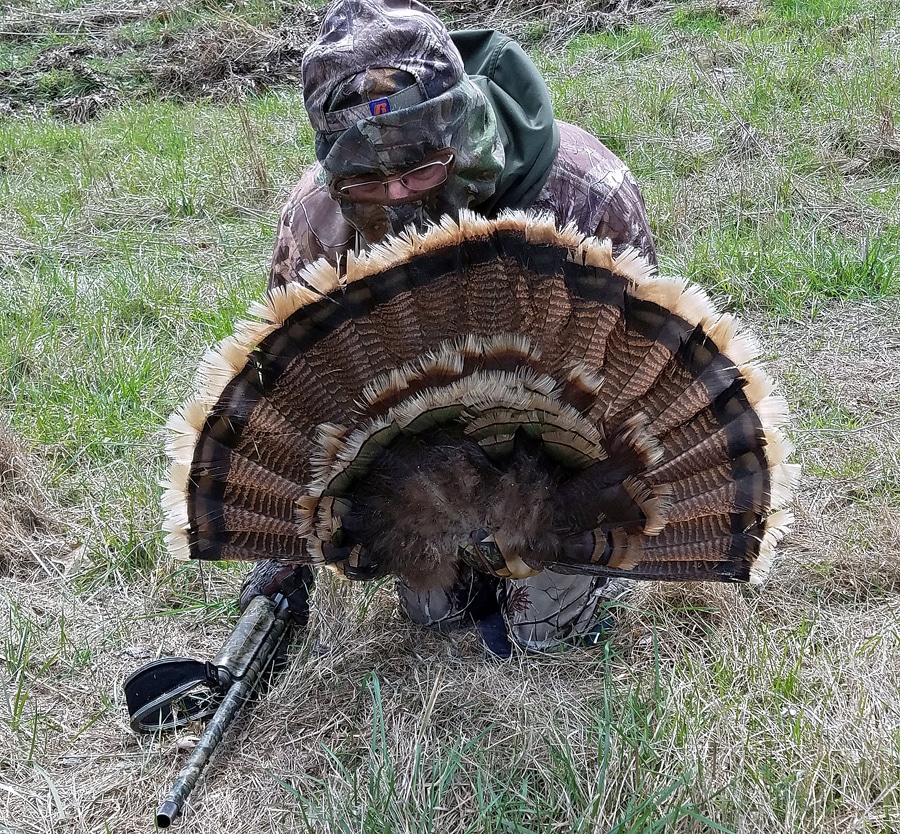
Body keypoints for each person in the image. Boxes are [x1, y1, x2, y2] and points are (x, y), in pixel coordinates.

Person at [241, 0, 658, 656]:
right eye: (371, 185)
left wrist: (560, 503)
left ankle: (590, 580)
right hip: (426, 479)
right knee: (435, 620)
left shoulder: (582, 195)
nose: (400, 196)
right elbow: (299, 413)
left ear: (460, 136)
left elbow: (640, 392)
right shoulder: (317, 224)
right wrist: (284, 555)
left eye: (422, 171)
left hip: (554, 473)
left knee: (542, 638)